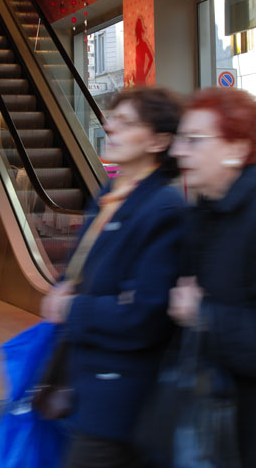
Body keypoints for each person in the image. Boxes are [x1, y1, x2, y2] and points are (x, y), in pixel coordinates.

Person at [41, 87, 186, 468]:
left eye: (127, 122)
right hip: (88, 382)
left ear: (158, 141)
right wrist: (66, 286)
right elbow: (88, 270)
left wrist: (71, 307)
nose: (110, 127)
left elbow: (143, 315)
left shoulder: (164, 208)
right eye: (112, 119)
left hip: (123, 397)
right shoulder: (111, 193)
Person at [168, 86, 256, 468]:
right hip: (218, 429)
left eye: (194, 140)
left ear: (236, 148)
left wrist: (203, 315)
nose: (179, 151)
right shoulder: (205, 215)